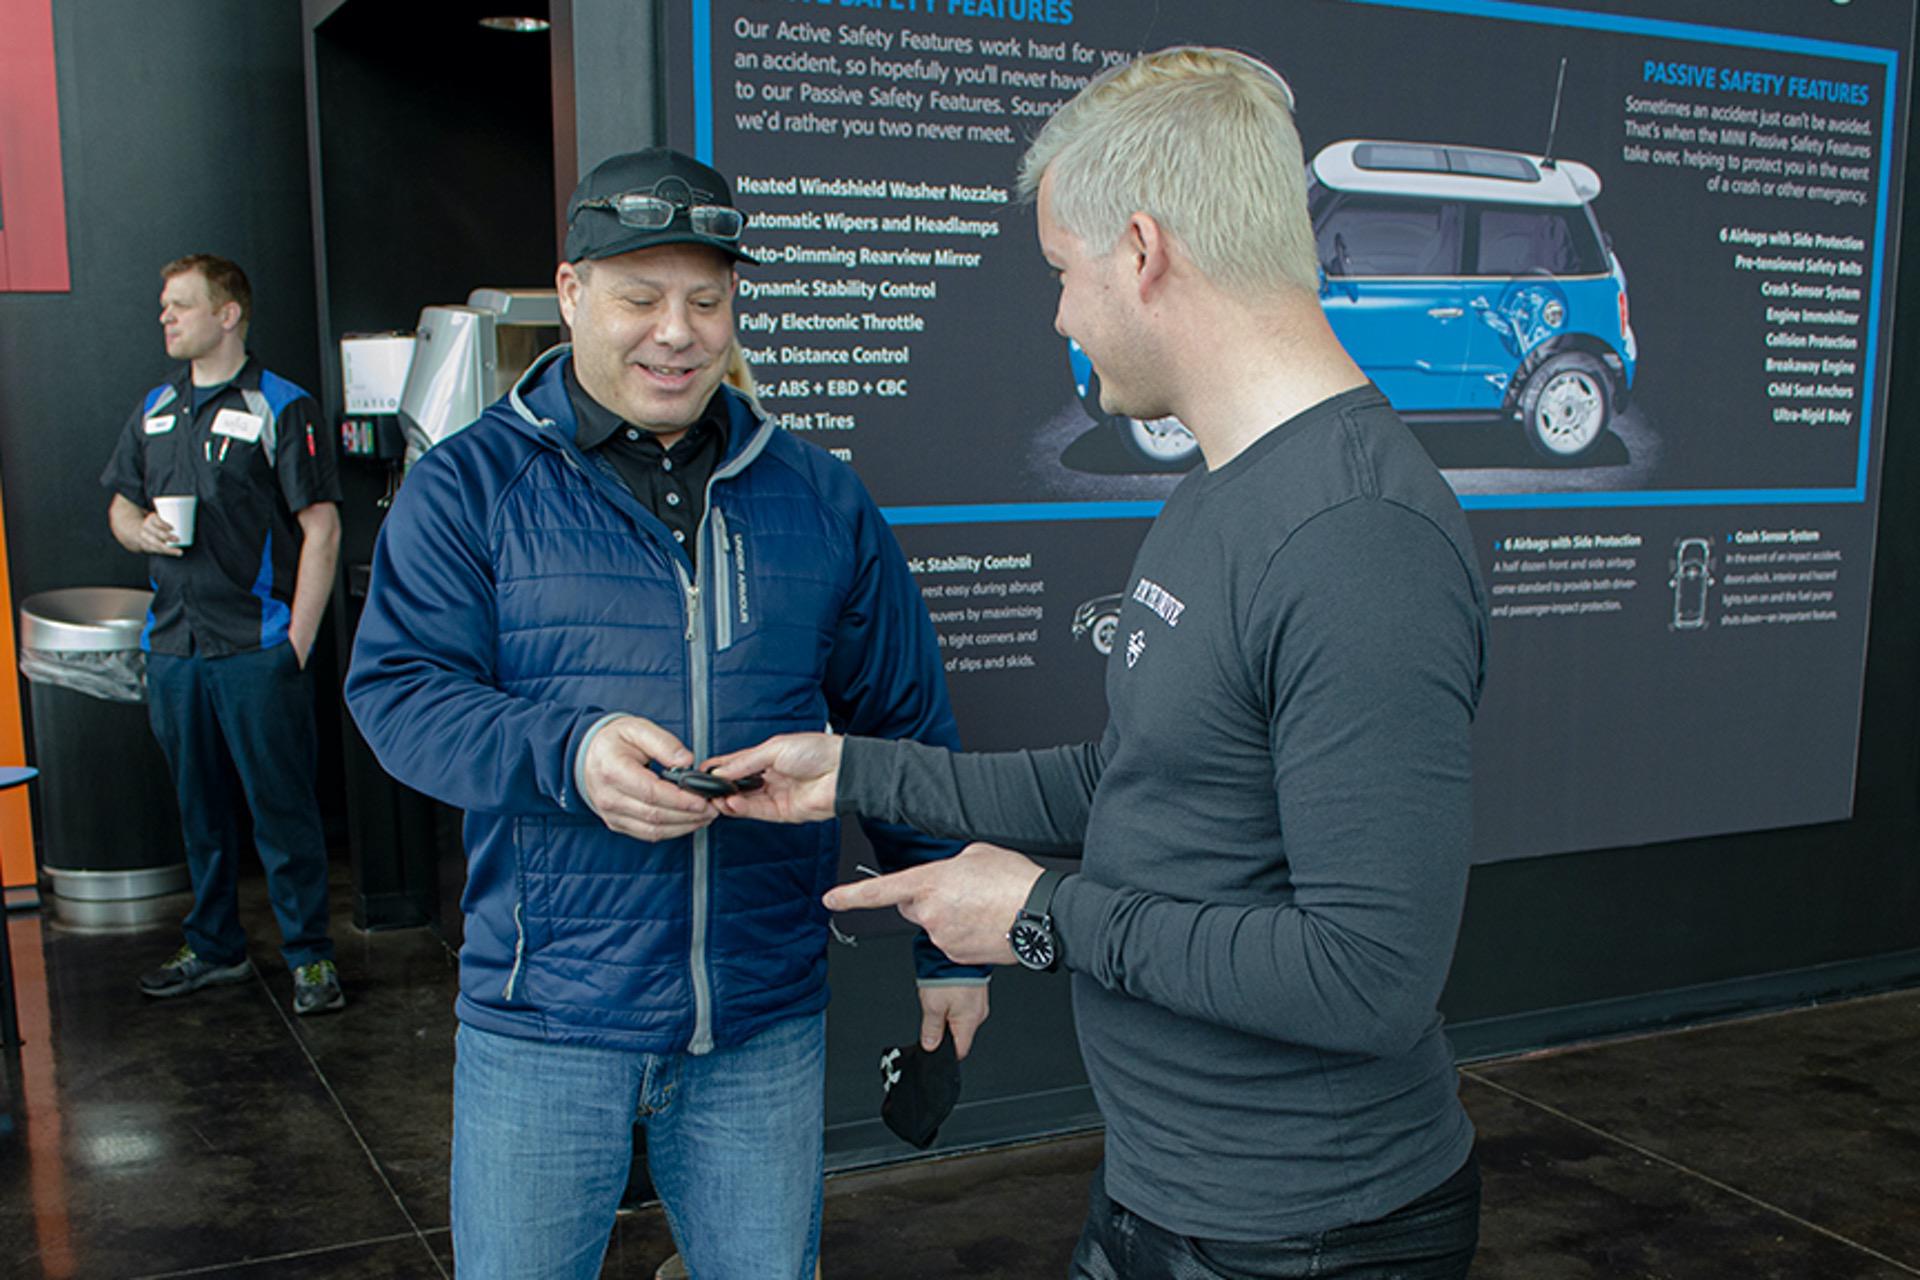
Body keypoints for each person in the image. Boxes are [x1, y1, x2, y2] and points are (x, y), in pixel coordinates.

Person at [709, 47, 1492, 1280]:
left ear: (1141, 251)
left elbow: (1367, 977)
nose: (1062, 314)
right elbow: (1140, 775)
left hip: (1307, 1236)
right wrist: (853, 772)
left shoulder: (1360, 539)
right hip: (1158, 1193)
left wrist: (1039, 917)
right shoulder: (1219, 491)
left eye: (1064, 272)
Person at [343, 146, 989, 1280]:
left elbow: (905, 727)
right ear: (572, 291)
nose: (677, 333)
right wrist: (570, 751)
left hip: (760, 1022)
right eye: (641, 297)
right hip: (544, 1018)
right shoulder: (469, 487)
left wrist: (950, 946)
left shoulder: (817, 495)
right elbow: (399, 692)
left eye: (707, 300)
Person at [101, 253, 344, 1017]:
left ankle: (309, 956)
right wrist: (137, 530)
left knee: (282, 808)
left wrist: (296, 641)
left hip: (255, 645)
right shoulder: (156, 406)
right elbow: (120, 504)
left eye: (181, 305)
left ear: (228, 313)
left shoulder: (281, 404)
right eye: (165, 306)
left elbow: (322, 528)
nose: (166, 317)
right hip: (174, 647)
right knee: (197, 808)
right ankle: (214, 948)